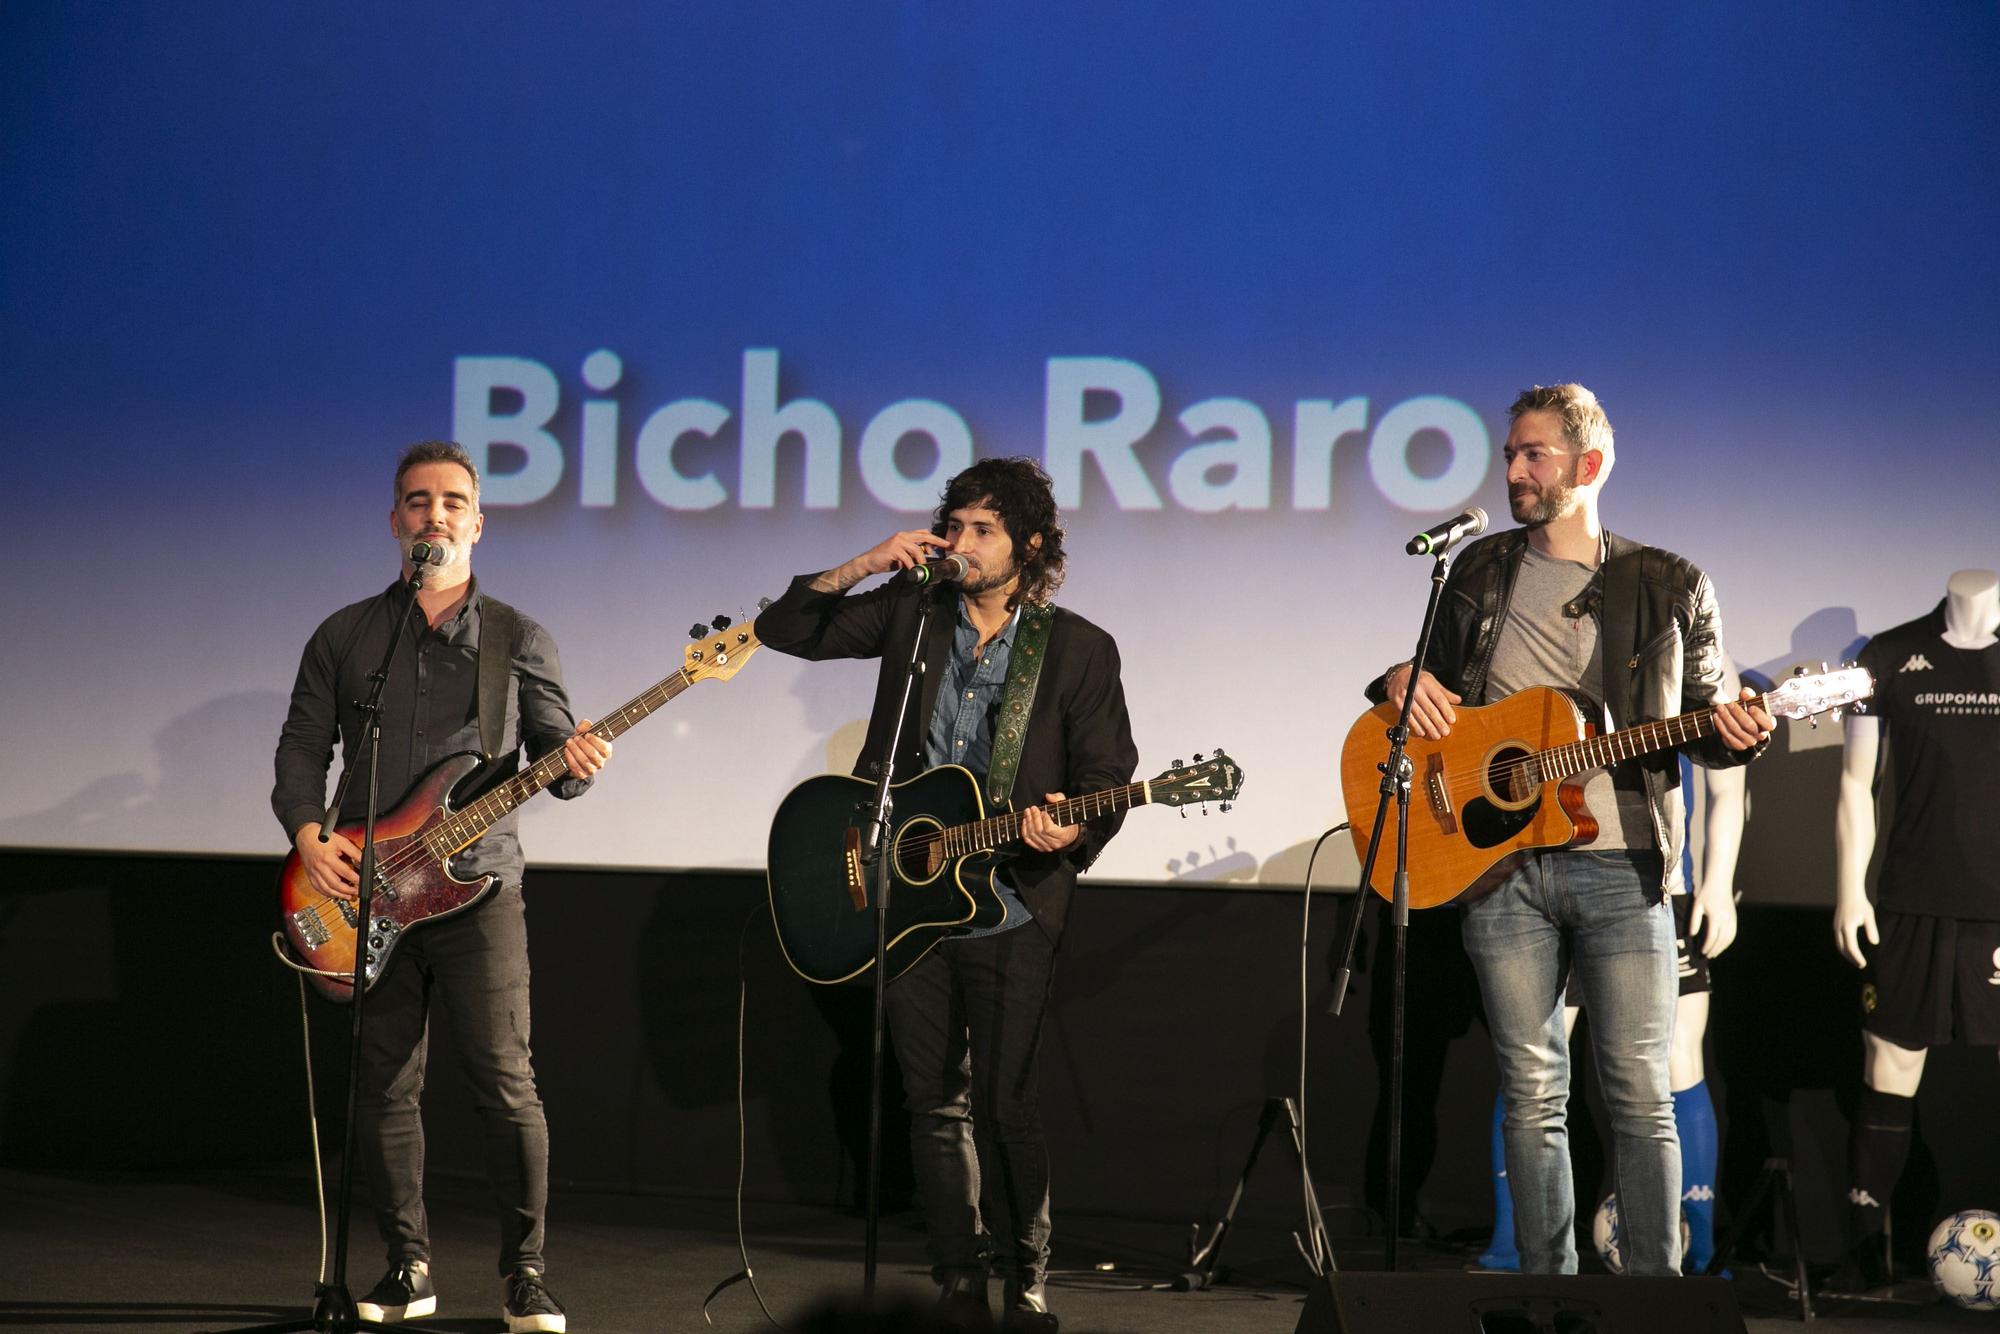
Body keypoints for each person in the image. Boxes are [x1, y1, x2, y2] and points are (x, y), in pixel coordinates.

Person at [1371, 383, 1771, 1276]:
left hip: (1623, 864)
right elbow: (1420, 692)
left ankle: (1658, 1296)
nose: (1512, 469)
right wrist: (1398, 680)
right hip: (1499, 868)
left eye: (1532, 455)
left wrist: (1739, 734)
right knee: (1531, 1091)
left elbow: (1710, 723)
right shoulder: (1477, 570)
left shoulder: (1670, 584)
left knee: (1638, 1092)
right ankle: (1547, 1290)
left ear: (1588, 467)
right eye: (1510, 452)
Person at [756, 457, 1137, 1332]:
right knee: (932, 1101)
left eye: (984, 531)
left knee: (1007, 1102)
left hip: (1011, 895)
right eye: (954, 526)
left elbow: (1107, 777)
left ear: (1030, 545)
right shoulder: (911, 614)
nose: (962, 545)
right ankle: (958, 1276)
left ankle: (1027, 1276)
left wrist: (1072, 831)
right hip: (905, 892)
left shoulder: (1078, 646)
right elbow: (786, 630)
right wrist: (864, 564)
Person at [272, 441, 611, 1332]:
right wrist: (310, 837)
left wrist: (575, 763)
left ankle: (526, 1273)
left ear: (479, 522)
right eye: (418, 502)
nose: (436, 516)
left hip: (477, 889)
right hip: (361, 888)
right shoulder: (348, 635)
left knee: (505, 1078)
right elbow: (304, 746)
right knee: (384, 1084)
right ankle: (406, 1264)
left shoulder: (518, 637)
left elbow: (555, 763)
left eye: (453, 501)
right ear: (395, 522)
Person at [1477, 756, 1746, 1275]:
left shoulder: (1704, 670)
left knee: (1665, 1068)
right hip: (1525, 871)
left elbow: (1728, 786)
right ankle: (1515, 1245)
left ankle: (1699, 1248)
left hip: (1649, 878)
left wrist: (1718, 882)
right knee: (1531, 1075)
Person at [1833, 568, 2000, 1288]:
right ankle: (1867, 1252)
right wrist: (1850, 891)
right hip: (1909, 904)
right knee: (1889, 1068)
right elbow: (1854, 783)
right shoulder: (1889, 656)